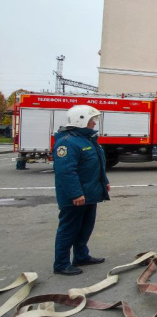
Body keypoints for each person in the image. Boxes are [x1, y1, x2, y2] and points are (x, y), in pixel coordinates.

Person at [52, 105, 110, 275]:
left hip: (90, 194)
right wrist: (76, 194)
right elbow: (66, 172)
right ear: (81, 120)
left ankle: (81, 256)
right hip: (76, 197)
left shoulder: (87, 139)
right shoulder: (67, 142)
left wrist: (104, 181)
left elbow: (97, 164)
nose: (94, 123)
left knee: (85, 227)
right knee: (69, 229)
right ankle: (61, 264)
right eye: (92, 120)